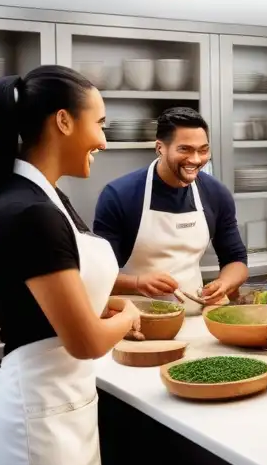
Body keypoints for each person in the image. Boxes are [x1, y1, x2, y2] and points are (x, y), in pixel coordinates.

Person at [0, 67, 142, 465]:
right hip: (37, 415)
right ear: (63, 121)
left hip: (60, 405)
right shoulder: (31, 212)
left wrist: (103, 303)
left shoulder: (45, 199)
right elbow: (84, 341)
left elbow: (54, 301)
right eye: (100, 124)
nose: (103, 141)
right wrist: (126, 314)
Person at [94, 107, 248, 314]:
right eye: (184, 149)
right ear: (160, 148)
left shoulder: (215, 194)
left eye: (203, 150)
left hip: (195, 316)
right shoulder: (120, 195)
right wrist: (137, 282)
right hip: (136, 318)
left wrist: (224, 283)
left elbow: (235, 258)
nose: (195, 159)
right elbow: (97, 275)